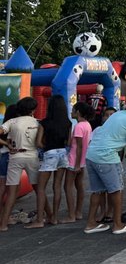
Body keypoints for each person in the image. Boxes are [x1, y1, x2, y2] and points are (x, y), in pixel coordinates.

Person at [82, 93, 126, 235]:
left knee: (97, 190)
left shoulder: (119, 114)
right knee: (116, 189)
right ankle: (118, 224)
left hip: (92, 153)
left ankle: (91, 223)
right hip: (107, 157)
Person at [25, 96, 73, 228]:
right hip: (63, 154)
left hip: (50, 153)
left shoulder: (44, 123)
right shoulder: (68, 123)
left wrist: (47, 144)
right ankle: (55, 218)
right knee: (57, 187)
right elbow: (69, 142)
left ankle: (40, 219)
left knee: (41, 188)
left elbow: (38, 143)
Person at [0, 98, 40, 232]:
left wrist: (7, 144)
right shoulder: (37, 122)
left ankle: (3, 224)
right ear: (33, 109)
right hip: (32, 155)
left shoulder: (12, 122)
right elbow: (40, 142)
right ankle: (47, 216)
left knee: (11, 192)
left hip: (15, 156)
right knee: (38, 189)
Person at [62, 102, 93, 223]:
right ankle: (78, 212)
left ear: (78, 112)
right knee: (79, 185)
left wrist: (76, 165)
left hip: (74, 159)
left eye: (73, 110)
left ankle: (71, 215)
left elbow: (78, 146)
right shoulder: (87, 125)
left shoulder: (79, 126)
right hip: (82, 160)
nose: (71, 112)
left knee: (67, 186)